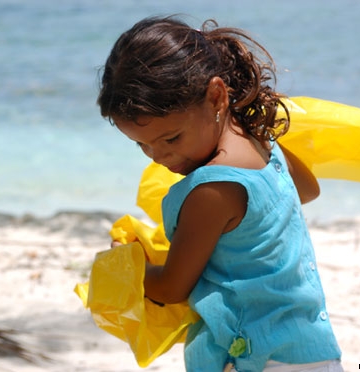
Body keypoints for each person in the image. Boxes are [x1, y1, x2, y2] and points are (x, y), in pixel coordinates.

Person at [97, 15, 342, 372]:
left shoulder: (211, 190)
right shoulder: (261, 140)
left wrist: (129, 263)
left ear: (216, 95)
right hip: (309, 347)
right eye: (142, 145)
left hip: (251, 357)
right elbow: (305, 190)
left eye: (171, 138)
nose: (160, 156)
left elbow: (170, 288)